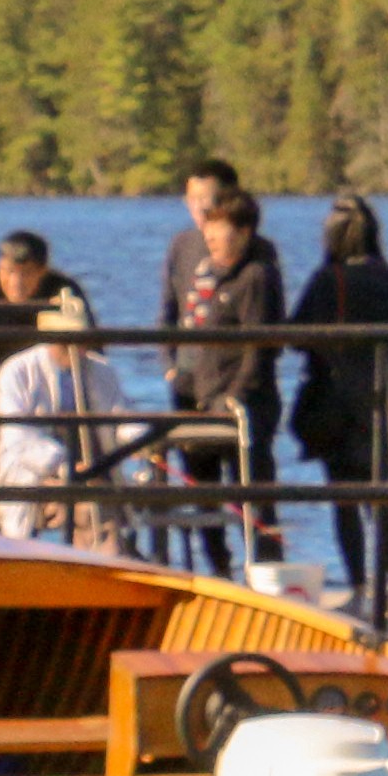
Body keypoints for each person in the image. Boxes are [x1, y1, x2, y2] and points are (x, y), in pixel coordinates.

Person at [290, 194, 388, 616]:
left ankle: (359, 586)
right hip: (383, 402)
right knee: (382, 495)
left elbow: (295, 334)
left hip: (335, 402)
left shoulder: (326, 281)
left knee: (345, 498)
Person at [165, 186, 288, 572]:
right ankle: (218, 568)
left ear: (245, 232)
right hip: (198, 396)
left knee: (252, 492)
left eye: (221, 230)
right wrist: (178, 376)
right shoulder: (205, 273)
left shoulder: (255, 276)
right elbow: (184, 326)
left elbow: (260, 347)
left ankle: (267, 570)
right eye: (209, 229)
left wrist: (235, 396)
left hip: (243, 404)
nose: (212, 237)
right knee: (202, 489)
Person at [0, 288, 136, 545]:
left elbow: (121, 417)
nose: (73, 348)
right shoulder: (17, 372)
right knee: (92, 510)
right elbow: (18, 437)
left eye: (80, 340)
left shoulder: (103, 371)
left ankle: (105, 558)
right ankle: (102, 561)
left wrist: (141, 441)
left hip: (95, 475)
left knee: (112, 503)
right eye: (64, 341)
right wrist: (65, 465)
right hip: (36, 476)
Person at [0, 229, 90, 396]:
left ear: (43, 271)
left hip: (53, 389)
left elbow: (91, 345)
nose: (16, 282)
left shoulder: (64, 290)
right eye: (9, 271)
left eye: (26, 273)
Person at [154, 157, 240, 331]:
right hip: (187, 346)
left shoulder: (253, 250)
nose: (198, 208)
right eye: (191, 199)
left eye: (205, 198)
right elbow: (168, 314)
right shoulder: (182, 245)